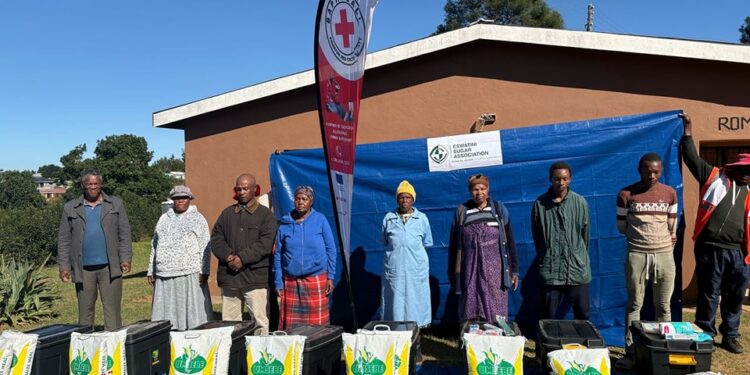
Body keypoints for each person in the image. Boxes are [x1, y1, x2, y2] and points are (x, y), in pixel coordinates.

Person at [680, 112, 750, 354]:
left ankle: (730, 335)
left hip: (739, 254)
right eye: (744, 169)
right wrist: (688, 130)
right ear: (734, 168)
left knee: (735, 295)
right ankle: (706, 332)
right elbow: (690, 157)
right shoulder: (713, 178)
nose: (748, 173)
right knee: (709, 293)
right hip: (710, 247)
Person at [615, 153, 678, 369]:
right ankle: (631, 352)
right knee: (635, 304)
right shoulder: (626, 194)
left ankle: (664, 352)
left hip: (664, 255)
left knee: (663, 306)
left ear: (660, 171)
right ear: (640, 170)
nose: (652, 175)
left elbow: (672, 226)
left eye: (656, 172)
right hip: (637, 255)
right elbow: (622, 227)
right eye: (647, 171)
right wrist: (640, 240)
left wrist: (664, 243)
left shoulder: (670, 193)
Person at [57, 171, 132, 331]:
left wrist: (125, 258)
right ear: (83, 186)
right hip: (83, 269)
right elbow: (64, 239)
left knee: (112, 310)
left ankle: (114, 346)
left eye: (96, 184)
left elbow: (124, 233)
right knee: (85, 312)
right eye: (89, 184)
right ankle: (85, 347)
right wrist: (64, 266)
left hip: (110, 267)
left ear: (101, 185)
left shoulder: (115, 204)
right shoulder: (70, 208)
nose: (93, 187)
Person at [211, 173, 277, 333]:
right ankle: (234, 354)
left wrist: (242, 258)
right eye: (239, 189)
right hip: (230, 278)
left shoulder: (265, 215)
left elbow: (266, 243)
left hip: (255, 278)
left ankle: (259, 355)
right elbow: (216, 239)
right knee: (230, 323)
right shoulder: (227, 214)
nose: (242, 192)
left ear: (255, 189)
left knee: (260, 322)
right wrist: (229, 256)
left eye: (246, 188)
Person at [450, 173, 519, 323]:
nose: (479, 193)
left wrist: (514, 270)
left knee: (496, 305)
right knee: (471, 302)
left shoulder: (499, 210)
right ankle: (471, 339)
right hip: (470, 270)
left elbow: (510, 242)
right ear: (470, 191)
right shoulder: (462, 211)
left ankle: (497, 338)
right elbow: (454, 246)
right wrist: (452, 274)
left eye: (482, 188)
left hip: (496, 271)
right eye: (475, 189)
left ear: (488, 190)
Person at [147, 185, 213, 330]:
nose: (180, 201)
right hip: (164, 272)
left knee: (191, 311)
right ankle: (168, 334)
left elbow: (205, 246)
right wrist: (151, 269)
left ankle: (193, 336)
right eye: (177, 198)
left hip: (189, 272)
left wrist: (205, 270)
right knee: (167, 312)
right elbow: (155, 244)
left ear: (189, 199)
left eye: (184, 198)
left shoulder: (198, 219)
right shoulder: (164, 219)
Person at [531, 161, 591, 320]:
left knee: (583, 313)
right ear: (551, 179)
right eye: (557, 179)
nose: (561, 183)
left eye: (565, 179)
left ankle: (585, 344)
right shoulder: (540, 204)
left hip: (577, 269)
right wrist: (547, 255)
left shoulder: (580, 203)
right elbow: (538, 237)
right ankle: (547, 345)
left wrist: (578, 257)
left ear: (570, 179)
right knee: (548, 316)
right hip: (551, 271)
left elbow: (585, 237)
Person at [274, 186, 336, 329]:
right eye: (297, 199)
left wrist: (330, 276)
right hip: (291, 281)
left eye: (304, 199)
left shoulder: (320, 220)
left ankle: (318, 347)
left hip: (315, 278)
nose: (300, 202)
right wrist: (278, 282)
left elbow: (331, 249)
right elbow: (278, 255)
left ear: (311, 202)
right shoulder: (285, 224)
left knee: (317, 327)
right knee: (292, 327)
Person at [380, 180, 433, 325]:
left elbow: (427, 242)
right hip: (394, 268)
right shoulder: (388, 218)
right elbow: (385, 241)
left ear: (413, 199)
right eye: (401, 197)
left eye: (408, 197)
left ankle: (416, 331)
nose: (404, 200)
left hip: (415, 268)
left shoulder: (422, 219)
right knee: (394, 299)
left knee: (415, 299)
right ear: (397, 199)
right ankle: (396, 330)